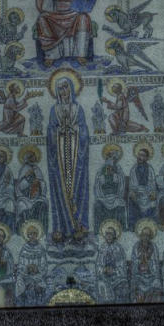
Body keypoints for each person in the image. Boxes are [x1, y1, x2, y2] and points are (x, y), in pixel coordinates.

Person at [47, 72, 89, 238]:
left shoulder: (78, 109)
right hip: (59, 157)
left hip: (75, 155)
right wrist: (59, 131)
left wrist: (75, 130)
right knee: (60, 189)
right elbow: (50, 132)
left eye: (65, 87)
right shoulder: (54, 110)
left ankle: (79, 226)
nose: (63, 91)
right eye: (60, 88)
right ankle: (61, 227)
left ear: (71, 88)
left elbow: (84, 131)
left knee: (77, 188)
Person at [93, 144, 127, 232]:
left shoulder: (118, 169)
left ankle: (121, 229)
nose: (113, 159)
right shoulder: (101, 169)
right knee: (97, 205)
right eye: (111, 156)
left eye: (115, 157)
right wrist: (101, 196)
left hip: (115, 197)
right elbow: (97, 186)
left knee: (120, 204)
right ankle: (98, 230)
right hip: (104, 197)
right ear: (107, 156)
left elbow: (122, 183)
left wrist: (116, 177)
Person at [15, 145, 48, 233]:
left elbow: (43, 183)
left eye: (34, 156)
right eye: (31, 157)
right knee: (21, 205)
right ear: (27, 158)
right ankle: (22, 230)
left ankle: (41, 229)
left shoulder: (37, 169)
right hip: (25, 198)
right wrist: (27, 179)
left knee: (43, 204)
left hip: (37, 196)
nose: (34, 158)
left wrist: (38, 182)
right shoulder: (24, 169)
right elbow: (20, 185)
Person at [15, 222, 48, 306]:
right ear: (27, 235)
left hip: (38, 275)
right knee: (19, 282)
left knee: (39, 284)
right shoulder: (24, 248)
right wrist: (27, 269)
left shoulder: (41, 248)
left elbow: (44, 265)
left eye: (34, 234)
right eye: (30, 234)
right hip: (25, 275)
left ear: (37, 235)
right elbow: (20, 265)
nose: (32, 236)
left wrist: (37, 269)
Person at [95, 221, 129, 304]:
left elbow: (122, 267)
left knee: (122, 285)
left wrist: (113, 271)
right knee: (100, 284)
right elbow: (98, 265)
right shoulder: (102, 248)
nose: (109, 236)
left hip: (117, 277)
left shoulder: (118, 248)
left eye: (111, 234)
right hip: (104, 277)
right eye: (107, 234)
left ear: (114, 236)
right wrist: (103, 270)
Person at [127, 143, 159, 230]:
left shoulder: (150, 169)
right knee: (131, 199)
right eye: (139, 155)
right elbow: (132, 185)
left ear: (147, 158)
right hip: (137, 193)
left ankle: (150, 225)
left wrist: (152, 192)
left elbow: (153, 184)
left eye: (142, 155)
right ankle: (133, 226)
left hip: (148, 193)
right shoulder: (133, 169)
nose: (140, 157)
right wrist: (133, 192)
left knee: (153, 201)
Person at [130, 219, 162, 302]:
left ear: (150, 236)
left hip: (151, 275)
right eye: (143, 235)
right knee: (136, 285)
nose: (145, 237)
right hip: (139, 275)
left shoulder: (153, 247)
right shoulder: (136, 246)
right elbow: (134, 262)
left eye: (147, 235)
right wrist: (139, 260)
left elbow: (156, 263)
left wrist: (149, 263)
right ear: (140, 235)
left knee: (156, 286)